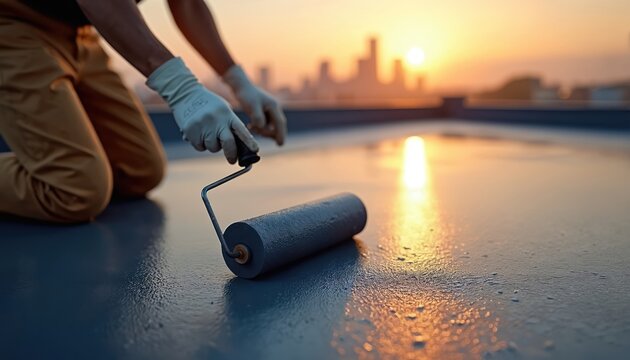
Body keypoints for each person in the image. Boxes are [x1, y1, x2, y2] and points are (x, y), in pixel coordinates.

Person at [0, 0, 287, 223]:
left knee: (140, 171)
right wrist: (182, 89)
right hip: (12, 22)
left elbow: (186, 4)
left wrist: (239, 82)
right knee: (75, 188)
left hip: (82, 31)